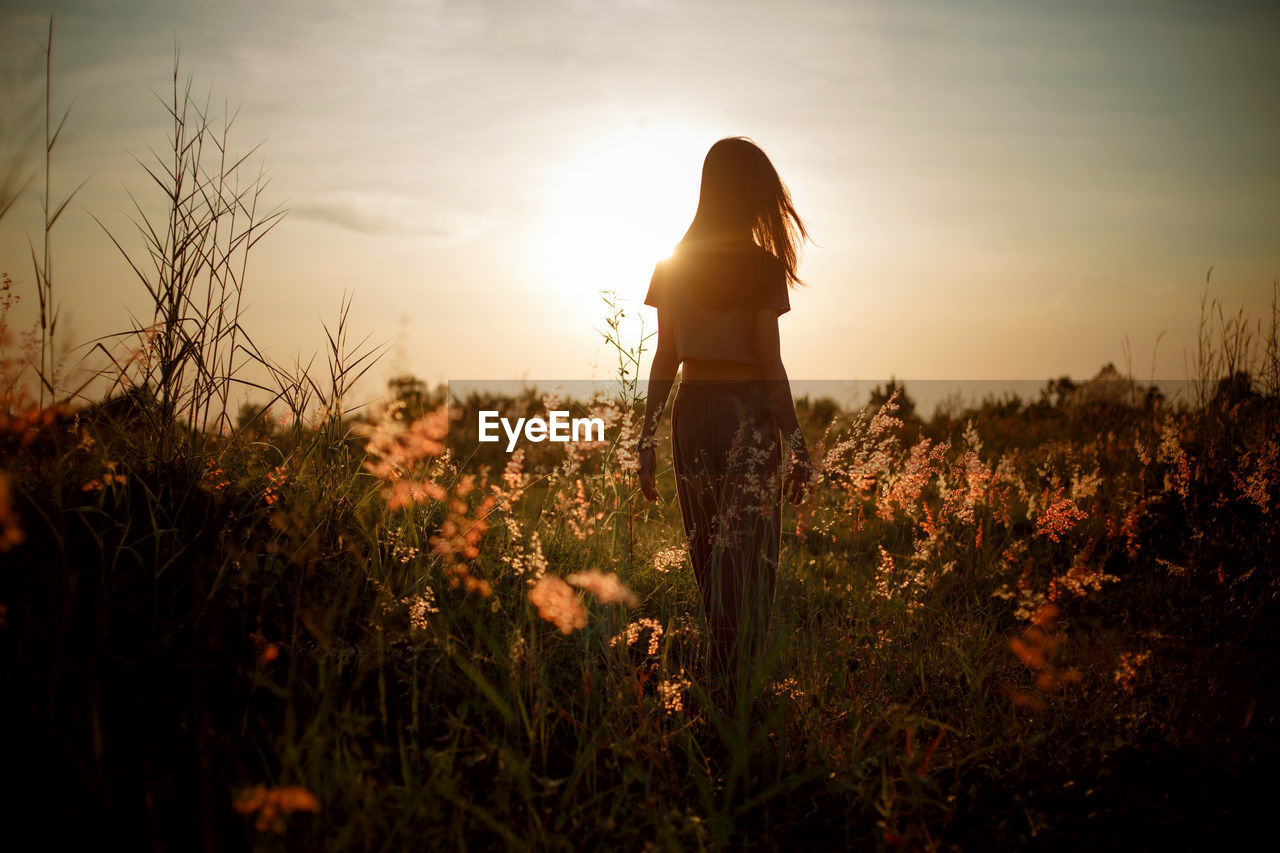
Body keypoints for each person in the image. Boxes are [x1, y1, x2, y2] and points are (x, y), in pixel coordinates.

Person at [636, 136, 814, 711]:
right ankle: (740, 697)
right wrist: (798, 441)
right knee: (752, 561)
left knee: (709, 558)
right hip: (746, 412)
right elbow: (770, 362)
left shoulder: (674, 262)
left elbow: (665, 359)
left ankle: (718, 688)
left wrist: (646, 439)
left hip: (692, 411)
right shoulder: (762, 267)